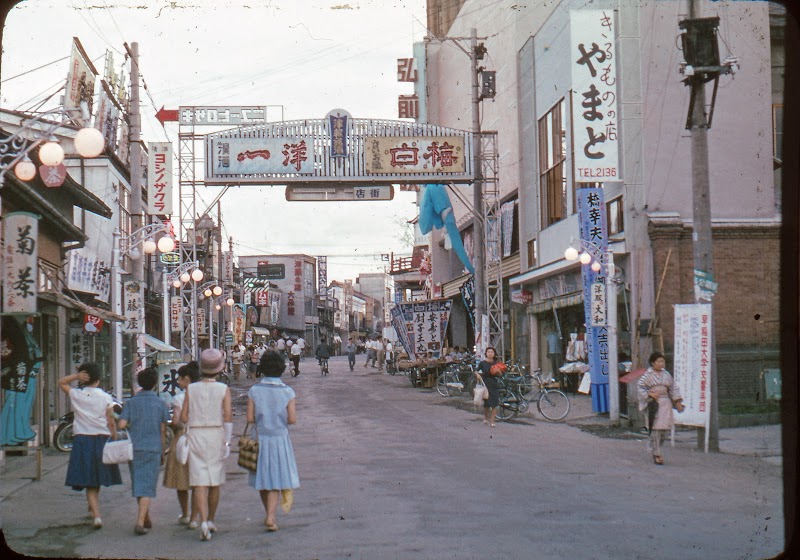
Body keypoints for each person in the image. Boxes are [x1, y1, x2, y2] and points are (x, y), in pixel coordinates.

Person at [59, 362, 122, 529]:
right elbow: (111, 420)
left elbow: (61, 382)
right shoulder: (106, 397)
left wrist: (76, 376)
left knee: (90, 480)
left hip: (82, 440)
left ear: (84, 379)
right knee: (95, 479)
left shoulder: (77, 395)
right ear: (99, 379)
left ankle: (96, 515)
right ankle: (93, 510)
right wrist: (114, 436)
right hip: (102, 439)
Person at [180, 349, 233, 541]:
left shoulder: (191, 389)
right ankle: (211, 519)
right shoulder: (223, 389)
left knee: (199, 481)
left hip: (196, 434)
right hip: (216, 433)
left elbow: (183, 416)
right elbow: (228, 415)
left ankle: (202, 522)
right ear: (219, 369)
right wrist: (227, 441)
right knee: (215, 480)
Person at [247, 350, 300, 532]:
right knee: (276, 477)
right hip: (279, 439)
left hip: (260, 437)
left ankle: (268, 514)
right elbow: (292, 419)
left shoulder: (254, 391)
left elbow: (249, 418)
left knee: (262, 477)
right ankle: (271, 516)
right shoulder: (287, 392)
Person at [117, 367, 171, 535]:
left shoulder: (131, 403)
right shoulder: (161, 403)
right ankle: (140, 522)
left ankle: (145, 517)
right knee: (147, 485)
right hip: (153, 448)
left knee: (139, 483)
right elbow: (163, 430)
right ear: (155, 383)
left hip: (134, 448)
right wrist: (163, 451)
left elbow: (121, 425)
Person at [163, 362, 200, 528]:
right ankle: (194, 517)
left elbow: (177, 421)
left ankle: (185, 514)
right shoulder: (202, 395)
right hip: (200, 438)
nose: (178, 381)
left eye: (180, 378)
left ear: (187, 379)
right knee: (198, 481)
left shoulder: (179, 398)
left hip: (183, 438)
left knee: (181, 480)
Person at [637, 351, 685, 465]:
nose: (661, 363)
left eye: (662, 361)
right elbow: (640, 387)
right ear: (653, 363)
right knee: (656, 428)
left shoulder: (667, 374)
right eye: (658, 361)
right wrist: (650, 394)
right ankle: (657, 453)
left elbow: (673, 388)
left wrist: (677, 401)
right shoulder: (647, 375)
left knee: (664, 429)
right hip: (654, 403)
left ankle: (655, 446)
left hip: (666, 403)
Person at [477, 347, 503, 427]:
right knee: (487, 403)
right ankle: (485, 417)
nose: (490, 353)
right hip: (485, 383)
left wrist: (499, 372)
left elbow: (501, 374)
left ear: (494, 354)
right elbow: (476, 370)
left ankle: (492, 420)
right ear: (486, 353)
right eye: (488, 352)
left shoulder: (496, 363)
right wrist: (477, 375)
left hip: (494, 383)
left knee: (495, 402)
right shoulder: (482, 363)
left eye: (492, 352)